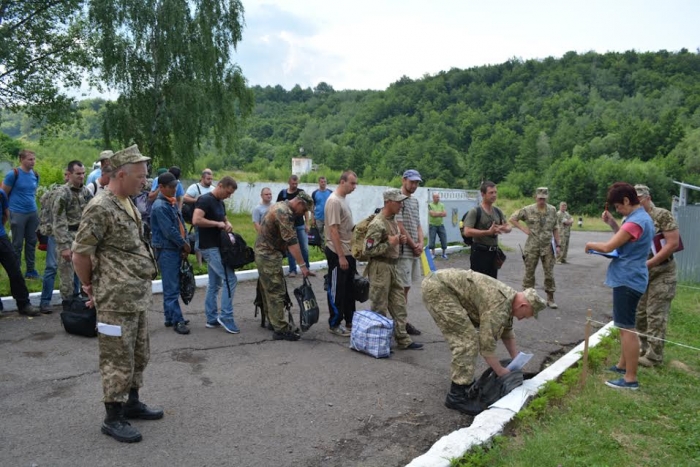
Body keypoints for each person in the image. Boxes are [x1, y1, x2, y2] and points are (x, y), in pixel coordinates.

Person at [72, 145, 162, 443]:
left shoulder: (127, 201)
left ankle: (132, 402)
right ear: (121, 174)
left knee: (138, 354)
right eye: (140, 176)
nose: (145, 182)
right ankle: (113, 417)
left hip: (135, 295)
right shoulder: (100, 206)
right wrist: (89, 286)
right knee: (116, 359)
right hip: (114, 298)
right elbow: (81, 253)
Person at [421, 268, 546, 415]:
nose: (525, 318)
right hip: (438, 289)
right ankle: (456, 396)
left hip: (443, 285)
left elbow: (507, 331)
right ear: (523, 306)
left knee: (468, 339)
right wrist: (501, 372)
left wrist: (516, 358)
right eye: (528, 315)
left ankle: (464, 383)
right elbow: (486, 347)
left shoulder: (510, 300)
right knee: (466, 342)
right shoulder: (499, 306)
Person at [585, 182, 653, 390]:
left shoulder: (635, 221)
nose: (617, 210)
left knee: (626, 329)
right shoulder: (640, 218)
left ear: (626, 200)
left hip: (628, 279)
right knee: (625, 324)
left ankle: (630, 379)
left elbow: (608, 246)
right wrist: (614, 223)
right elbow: (625, 239)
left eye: (618, 206)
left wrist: (590, 245)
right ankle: (623, 366)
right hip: (633, 276)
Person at [364, 189, 423, 351]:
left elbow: (393, 240)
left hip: (393, 265)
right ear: (388, 202)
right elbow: (367, 250)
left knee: (399, 304)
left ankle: (403, 339)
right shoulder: (378, 223)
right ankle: (378, 342)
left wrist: (399, 240)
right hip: (380, 267)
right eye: (398, 202)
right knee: (379, 306)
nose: (401, 204)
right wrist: (391, 243)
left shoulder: (393, 220)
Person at [254, 191, 314, 341]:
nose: (303, 213)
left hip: (266, 253)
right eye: (304, 210)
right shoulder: (284, 212)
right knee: (276, 290)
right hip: (268, 254)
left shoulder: (282, 206)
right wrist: (303, 266)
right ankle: (280, 329)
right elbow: (292, 242)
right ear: (299, 203)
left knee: (268, 288)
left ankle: (272, 320)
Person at [633, 185, 679, 368]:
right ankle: (642, 348)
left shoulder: (662, 215)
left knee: (655, 314)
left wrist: (650, 264)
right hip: (643, 274)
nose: (637, 203)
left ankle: (654, 356)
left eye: (640, 199)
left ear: (648, 197)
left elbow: (672, 243)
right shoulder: (633, 218)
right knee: (640, 313)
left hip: (662, 271)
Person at [192, 176, 240, 334]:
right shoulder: (205, 200)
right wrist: (216, 224)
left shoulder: (220, 202)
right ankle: (226, 316)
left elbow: (223, 218)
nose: (229, 196)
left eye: (231, 194)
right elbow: (196, 220)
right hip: (208, 246)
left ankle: (212, 318)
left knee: (214, 284)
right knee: (230, 279)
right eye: (227, 192)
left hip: (218, 245)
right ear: (219, 186)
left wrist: (228, 223)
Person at [150, 172, 192, 335]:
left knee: (171, 284)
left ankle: (169, 317)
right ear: (161, 188)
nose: (175, 189)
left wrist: (185, 242)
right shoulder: (160, 206)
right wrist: (184, 244)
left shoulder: (170, 202)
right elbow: (169, 231)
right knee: (172, 287)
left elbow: (181, 224)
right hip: (167, 249)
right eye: (172, 187)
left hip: (173, 248)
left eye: (176, 186)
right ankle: (177, 320)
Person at [509, 187, 561, 309]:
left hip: (547, 246)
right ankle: (527, 299)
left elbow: (555, 228)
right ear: (535, 197)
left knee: (549, 273)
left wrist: (558, 245)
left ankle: (550, 298)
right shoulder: (528, 210)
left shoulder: (552, 210)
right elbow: (513, 218)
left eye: (544, 198)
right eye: (539, 198)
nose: (541, 201)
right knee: (529, 273)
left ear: (547, 198)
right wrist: (523, 229)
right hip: (532, 246)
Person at [53, 160, 93, 310]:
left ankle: (86, 305)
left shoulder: (86, 192)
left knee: (86, 273)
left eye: (83, 173)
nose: (82, 176)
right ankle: (69, 309)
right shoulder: (62, 194)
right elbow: (58, 220)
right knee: (67, 278)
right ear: (69, 174)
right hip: (68, 236)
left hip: (83, 237)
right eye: (78, 174)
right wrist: (63, 246)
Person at [324, 171, 358, 337]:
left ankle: (350, 321)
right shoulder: (334, 201)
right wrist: (341, 256)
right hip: (338, 252)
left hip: (348, 251)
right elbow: (333, 230)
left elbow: (346, 226)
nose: (354, 186)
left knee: (350, 288)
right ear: (342, 181)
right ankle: (334, 323)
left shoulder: (343, 199)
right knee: (337, 289)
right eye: (352, 183)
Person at [1, 149, 41, 279]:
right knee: (17, 244)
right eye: (30, 159)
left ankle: (31, 270)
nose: (32, 162)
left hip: (32, 212)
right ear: (21, 160)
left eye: (34, 159)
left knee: (31, 242)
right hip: (17, 212)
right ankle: (16, 271)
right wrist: (6, 211)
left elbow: (32, 192)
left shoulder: (35, 174)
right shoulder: (13, 174)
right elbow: (3, 194)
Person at [0, 187, 39, 316]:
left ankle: (24, 304)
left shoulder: (1, 194)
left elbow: (6, 215)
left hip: (1, 238)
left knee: (15, 270)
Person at [395, 169, 424, 335]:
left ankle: (403, 320)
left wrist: (421, 243)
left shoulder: (415, 201)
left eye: (417, 183)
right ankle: (400, 323)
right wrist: (414, 245)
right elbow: (399, 225)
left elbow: (418, 225)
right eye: (412, 182)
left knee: (407, 288)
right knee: (400, 288)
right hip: (404, 251)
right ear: (404, 180)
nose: (414, 185)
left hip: (414, 251)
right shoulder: (398, 199)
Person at [463, 181, 511, 278]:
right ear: (483, 194)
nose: (494, 195)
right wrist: (488, 232)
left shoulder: (497, 211)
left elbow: (508, 227)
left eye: (495, 192)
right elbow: (467, 231)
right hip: (479, 253)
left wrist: (503, 228)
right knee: (479, 284)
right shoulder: (475, 211)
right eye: (491, 193)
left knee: (492, 285)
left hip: (493, 253)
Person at [276, 175, 314, 277]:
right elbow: (277, 208)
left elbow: (306, 210)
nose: (295, 185)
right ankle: (292, 270)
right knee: (290, 247)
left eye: (296, 183)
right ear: (289, 182)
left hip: (300, 225)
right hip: (288, 226)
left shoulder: (301, 193)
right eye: (293, 183)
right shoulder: (283, 194)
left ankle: (306, 268)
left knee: (304, 248)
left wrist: (307, 223)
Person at [183, 168, 214, 265]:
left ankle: (209, 260)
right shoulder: (194, 187)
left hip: (210, 219)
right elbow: (185, 198)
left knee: (211, 240)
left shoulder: (213, 189)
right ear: (202, 178)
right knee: (199, 240)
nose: (210, 181)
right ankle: (200, 263)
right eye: (208, 179)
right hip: (198, 218)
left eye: (211, 179)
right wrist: (197, 200)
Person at [310, 176, 332, 246]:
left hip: (329, 218)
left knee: (330, 234)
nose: (323, 183)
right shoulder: (314, 193)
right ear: (319, 182)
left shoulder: (331, 193)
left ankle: (330, 248)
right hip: (318, 217)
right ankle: (323, 249)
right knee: (320, 235)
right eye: (322, 182)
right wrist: (312, 218)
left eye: (325, 182)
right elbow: (312, 207)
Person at [428, 192, 448, 259]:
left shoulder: (442, 205)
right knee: (432, 240)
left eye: (438, 197)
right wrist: (440, 213)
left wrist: (436, 213)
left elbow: (445, 214)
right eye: (437, 197)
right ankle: (433, 254)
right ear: (433, 198)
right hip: (432, 225)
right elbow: (432, 214)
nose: (438, 198)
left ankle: (444, 254)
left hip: (440, 225)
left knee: (443, 239)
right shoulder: (430, 205)